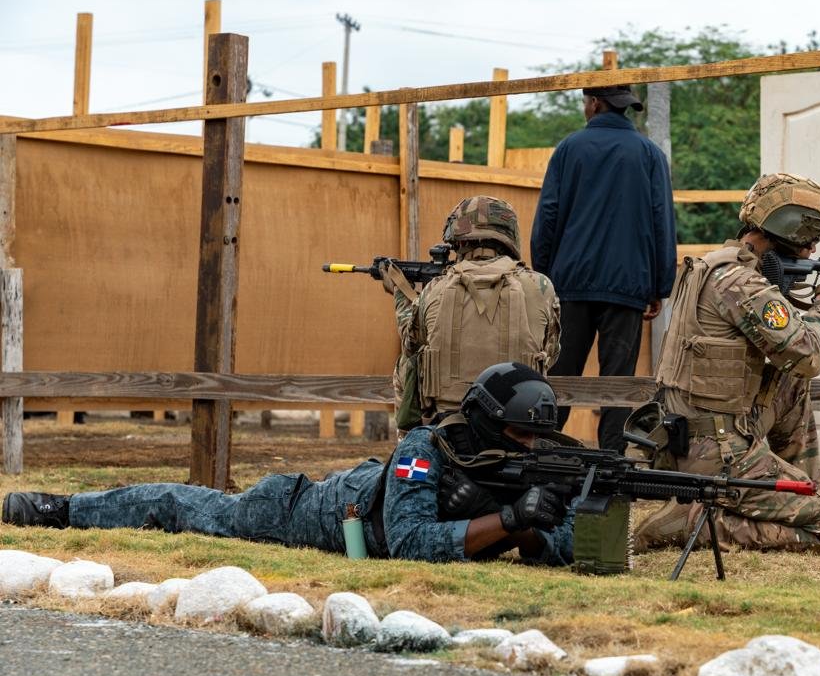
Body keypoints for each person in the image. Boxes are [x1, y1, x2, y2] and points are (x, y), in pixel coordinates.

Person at [3, 363, 576, 566]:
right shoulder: (427, 448)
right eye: (519, 433)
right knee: (185, 507)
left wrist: (528, 529)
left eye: (537, 436)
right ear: (486, 421)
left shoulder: (539, 462)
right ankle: (61, 509)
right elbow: (408, 542)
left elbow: (572, 546)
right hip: (304, 509)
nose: (530, 446)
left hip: (364, 491)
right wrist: (508, 520)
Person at [633, 173, 820, 553]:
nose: (812, 251)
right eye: (809, 240)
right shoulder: (740, 283)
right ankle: (693, 522)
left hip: (694, 433)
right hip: (715, 450)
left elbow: (792, 345)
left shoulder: (716, 267)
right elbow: (808, 355)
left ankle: (797, 492)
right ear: (789, 230)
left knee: (789, 383)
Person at [531, 84, 676, 454]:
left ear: (595, 104)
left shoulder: (568, 149)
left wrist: (543, 276)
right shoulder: (649, 154)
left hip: (570, 285)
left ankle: (545, 451)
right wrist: (660, 286)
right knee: (618, 380)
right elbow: (662, 221)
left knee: (561, 375)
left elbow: (548, 215)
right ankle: (612, 457)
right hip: (628, 287)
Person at [388, 196, 560, 438]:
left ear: (458, 240)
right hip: (518, 428)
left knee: (407, 363)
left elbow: (411, 344)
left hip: (447, 426)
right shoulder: (540, 286)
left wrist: (400, 294)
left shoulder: (435, 288)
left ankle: (408, 440)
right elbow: (551, 354)